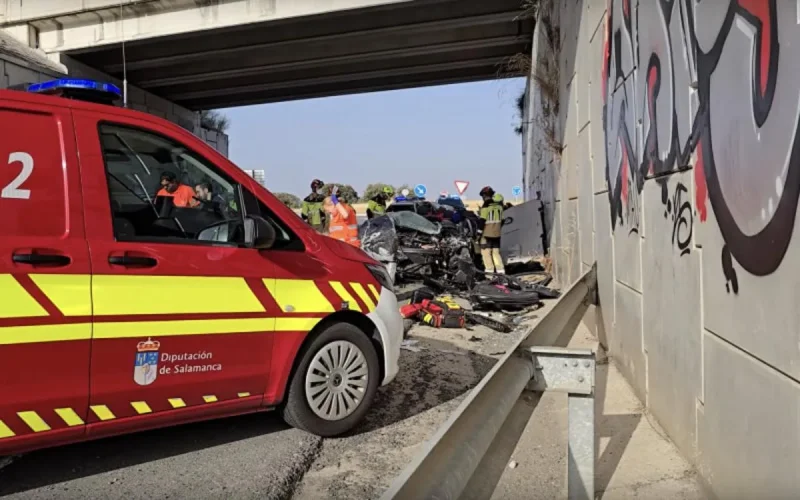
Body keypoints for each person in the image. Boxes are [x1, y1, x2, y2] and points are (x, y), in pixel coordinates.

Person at [477, 186, 505, 274]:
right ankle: (501, 273)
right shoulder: (500, 207)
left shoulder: (485, 207)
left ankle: (489, 275)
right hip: (497, 235)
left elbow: (482, 222)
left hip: (486, 235)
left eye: (483, 197)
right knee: (496, 254)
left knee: (486, 254)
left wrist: (478, 234)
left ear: (485, 196)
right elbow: (502, 220)